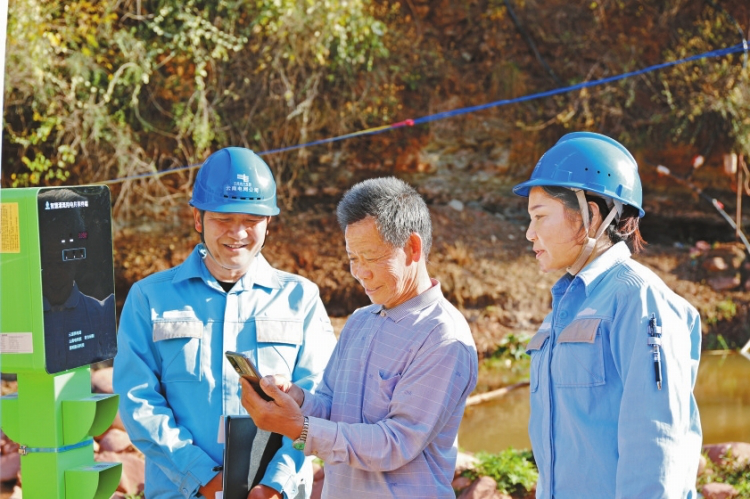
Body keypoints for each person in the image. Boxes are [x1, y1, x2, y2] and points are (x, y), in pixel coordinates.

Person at [113, 147, 337, 499]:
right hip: (181, 491)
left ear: (269, 223)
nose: (238, 233)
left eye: (251, 220)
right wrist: (201, 476)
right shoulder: (149, 299)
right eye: (223, 219)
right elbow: (138, 400)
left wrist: (275, 484)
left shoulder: (302, 299)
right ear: (198, 220)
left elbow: (321, 400)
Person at [239, 177, 478, 498]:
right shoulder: (359, 321)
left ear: (412, 248)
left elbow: (395, 444)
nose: (360, 272)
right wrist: (295, 399)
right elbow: (331, 408)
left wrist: (298, 428)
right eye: (353, 258)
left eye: (371, 257)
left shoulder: (443, 337)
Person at [513, 132, 702, 498]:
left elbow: (658, 448)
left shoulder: (640, 300)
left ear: (591, 214)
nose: (529, 233)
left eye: (540, 217)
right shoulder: (565, 304)